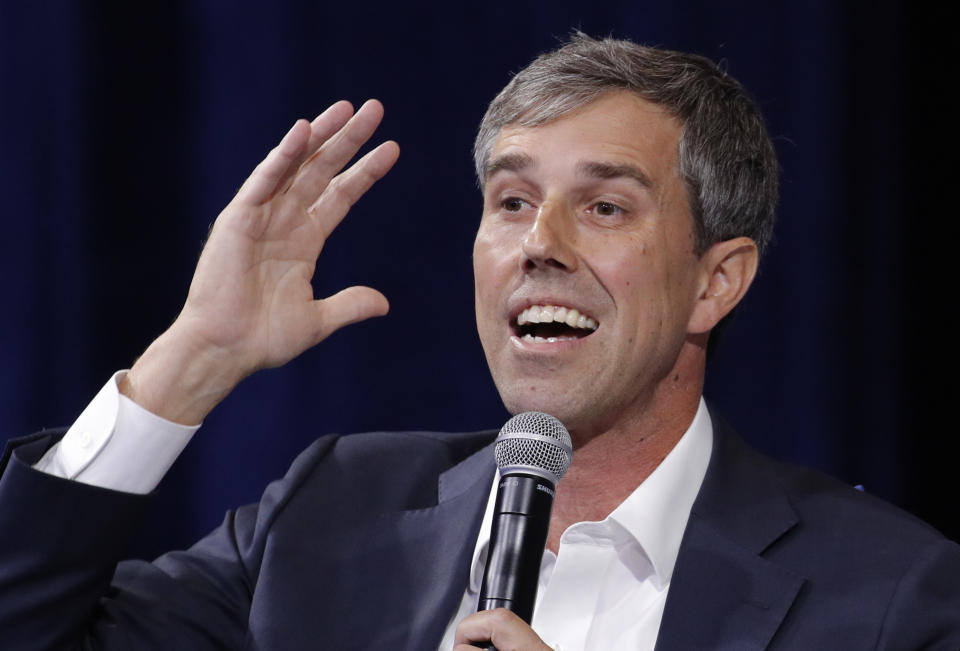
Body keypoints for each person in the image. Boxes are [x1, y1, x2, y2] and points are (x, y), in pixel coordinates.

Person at [1, 34, 958, 650]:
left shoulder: (887, 595)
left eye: (605, 205)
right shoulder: (330, 514)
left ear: (717, 280)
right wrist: (193, 357)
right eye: (511, 201)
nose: (540, 243)